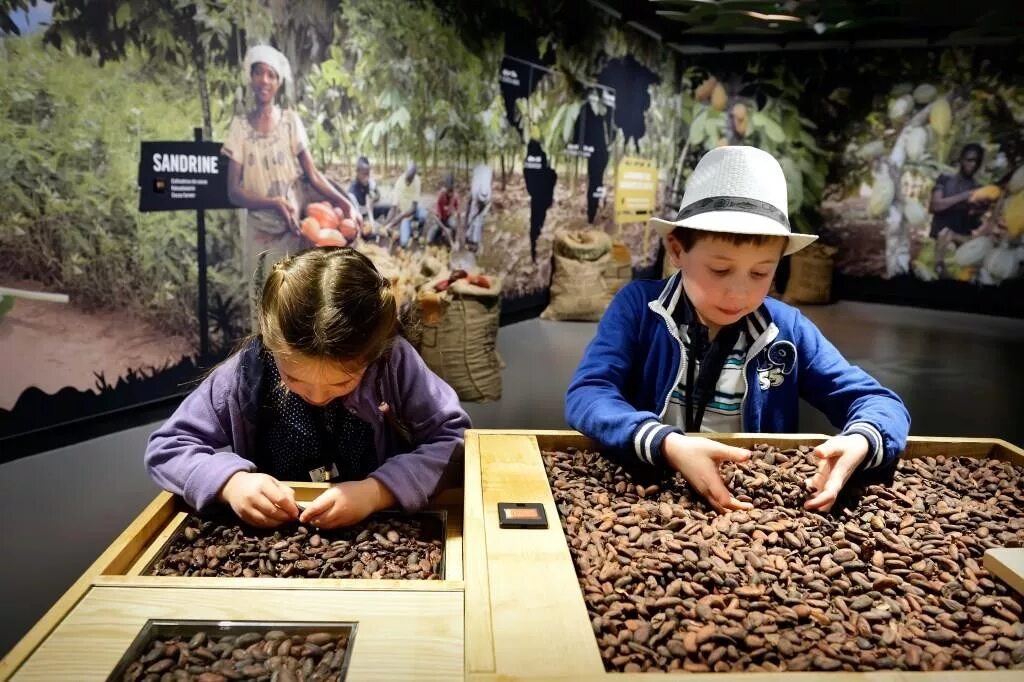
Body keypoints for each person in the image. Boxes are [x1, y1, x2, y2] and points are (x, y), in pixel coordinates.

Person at [565, 146, 910, 515]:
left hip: (754, 508)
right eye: (719, 270)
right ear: (677, 250)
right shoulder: (638, 308)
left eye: (760, 273)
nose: (739, 292)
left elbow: (879, 402)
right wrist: (665, 443)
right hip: (652, 491)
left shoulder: (786, 329)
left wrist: (862, 439)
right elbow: (590, 393)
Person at [145, 247, 470, 528]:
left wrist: (377, 492)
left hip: (377, 530)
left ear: (374, 353)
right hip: (275, 541)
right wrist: (231, 483)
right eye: (294, 378)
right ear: (273, 347)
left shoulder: (393, 362)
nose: (316, 396)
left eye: (342, 382)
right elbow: (168, 448)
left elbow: (454, 444)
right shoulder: (249, 370)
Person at [221, 45, 360, 326]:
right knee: (264, 304)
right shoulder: (239, 128)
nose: (264, 80)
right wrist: (273, 202)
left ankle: (295, 368)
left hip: (293, 231)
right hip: (260, 232)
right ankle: (267, 367)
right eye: (259, 73)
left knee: (295, 303)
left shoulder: (290, 122)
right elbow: (233, 192)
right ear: (251, 78)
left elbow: (313, 175)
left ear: (278, 83)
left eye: (271, 75)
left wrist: (347, 204)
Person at [929, 143, 989, 277]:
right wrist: (966, 195)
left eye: (976, 161)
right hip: (938, 243)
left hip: (960, 245)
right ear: (961, 159)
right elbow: (935, 206)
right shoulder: (945, 180)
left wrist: (979, 209)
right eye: (969, 160)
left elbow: (976, 223)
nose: (973, 164)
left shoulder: (978, 188)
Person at [348, 156, 392, 240]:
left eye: (368, 174)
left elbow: (378, 194)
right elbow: (355, 217)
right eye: (364, 174)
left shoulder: (369, 181)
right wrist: (370, 223)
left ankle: (386, 227)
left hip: (370, 210)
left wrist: (374, 198)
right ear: (357, 173)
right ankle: (377, 233)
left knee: (388, 208)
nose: (367, 177)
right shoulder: (352, 193)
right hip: (360, 216)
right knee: (366, 232)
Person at [394, 162, 427, 248]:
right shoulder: (399, 183)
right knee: (404, 243)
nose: (409, 182)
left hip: (413, 211)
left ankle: (418, 230)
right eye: (408, 179)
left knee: (424, 215)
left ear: (414, 175)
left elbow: (414, 207)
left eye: (411, 179)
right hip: (405, 215)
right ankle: (409, 229)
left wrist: (400, 216)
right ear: (405, 172)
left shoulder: (417, 181)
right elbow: (395, 206)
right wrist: (394, 221)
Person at [464, 164, 493, 253]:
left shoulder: (488, 195)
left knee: (479, 222)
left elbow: (486, 207)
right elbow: (472, 206)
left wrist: (482, 213)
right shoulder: (475, 191)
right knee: (471, 218)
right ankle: (468, 237)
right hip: (475, 202)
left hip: (484, 205)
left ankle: (475, 242)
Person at [429, 173, 459, 246]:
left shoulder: (455, 196)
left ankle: (453, 240)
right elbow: (436, 217)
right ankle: (439, 234)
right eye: (448, 192)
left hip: (448, 218)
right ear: (445, 189)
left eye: (451, 191)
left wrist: (457, 240)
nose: (450, 194)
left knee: (454, 224)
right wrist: (445, 229)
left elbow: (459, 217)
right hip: (439, 219)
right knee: (430, 239)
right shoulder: (440, 195)